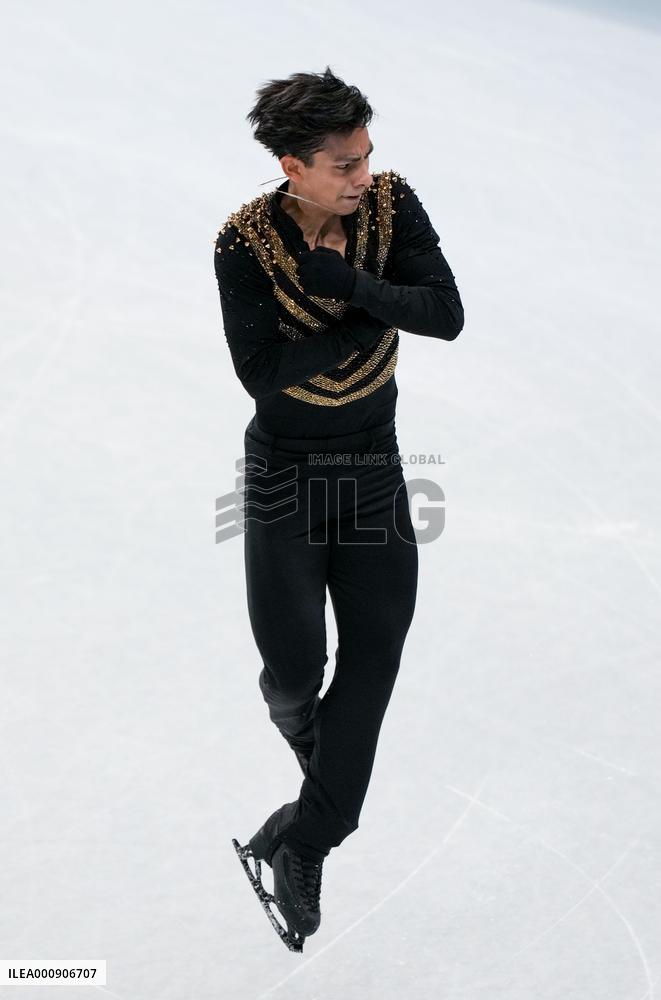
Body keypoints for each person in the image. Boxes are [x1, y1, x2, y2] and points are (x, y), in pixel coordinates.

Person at [214, 65, 464, 951]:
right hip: (285, 476)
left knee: (374, 658)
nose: (363, 176)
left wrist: (351, 285)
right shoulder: (242, 243)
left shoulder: (392, 207)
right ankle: (310, 767)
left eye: (366, 156)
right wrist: (365, 319)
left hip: (374, 471)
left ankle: (307, 835)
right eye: (343, 164)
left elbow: (445, 312)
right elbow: (262, 376)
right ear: (293, 165)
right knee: (294, 673)